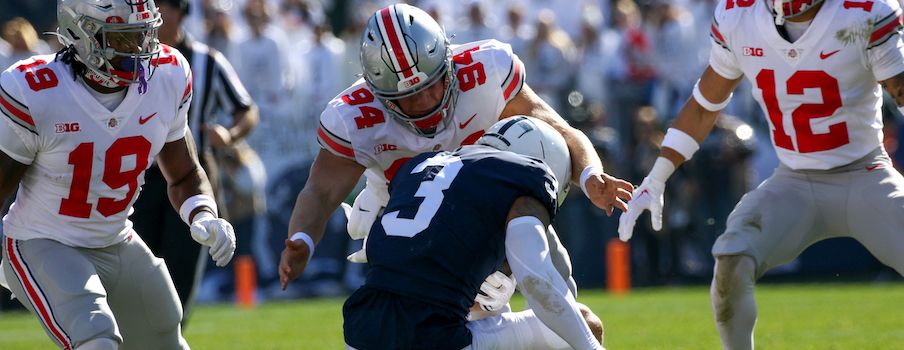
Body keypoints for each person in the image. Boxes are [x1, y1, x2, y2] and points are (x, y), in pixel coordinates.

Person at [278, 3, 632, 304]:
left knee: (563, 296)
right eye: (408, 98)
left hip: (492, 210)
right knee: (459, 326)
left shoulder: (486, 69)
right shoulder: (354, 116)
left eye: (432, 85)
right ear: (379, 95)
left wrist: (589, 174)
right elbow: (321, 190)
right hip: (414, 233)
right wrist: (303, 238)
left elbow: (559, 131)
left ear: (448, 61)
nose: (425, 102)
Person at [617, 0, 904, 349]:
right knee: (731, 262)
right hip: (794, 181)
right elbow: (705, 105)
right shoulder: (740, 15)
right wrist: (657, 176)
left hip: (865, 173)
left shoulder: (864, 11)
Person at [0, 0, 236, 348]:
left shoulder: (168, 75)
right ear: (81, 34)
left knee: (168, 337)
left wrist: (203, 211)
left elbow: (184, 173)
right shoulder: (36, 90)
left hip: (116, 236)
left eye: (143, 34)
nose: (139, 49)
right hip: (43, 240)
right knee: (97, 340)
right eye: (122, 38)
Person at [343, 116, 604, 350]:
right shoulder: (521, 177)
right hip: (433, 336)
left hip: (361, 329)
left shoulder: (421, 165)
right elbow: (537, 281)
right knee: (586, 325)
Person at [129, 0, 257, 323]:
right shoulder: (131, 57)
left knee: (181, 268)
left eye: (162, 6)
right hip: (141, 177)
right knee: (133, 266)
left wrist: (229, 135)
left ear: (180, 11)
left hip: (190, 173)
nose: (153, 15)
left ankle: (172, 335)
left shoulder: (207, 60)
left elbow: (247, 110)